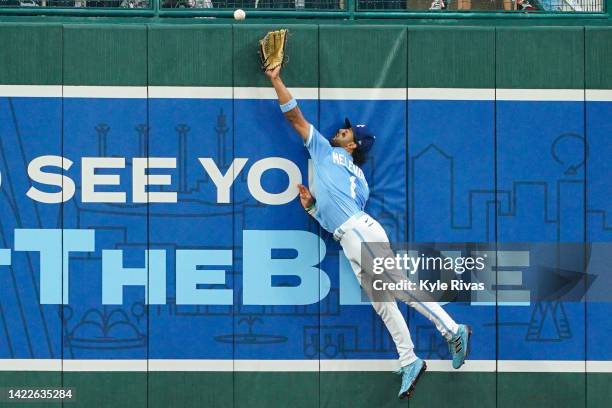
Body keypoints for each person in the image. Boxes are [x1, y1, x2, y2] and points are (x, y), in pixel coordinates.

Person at [264, 64, 472, 399]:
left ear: (353, 146)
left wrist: (276, 79)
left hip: (359, 232)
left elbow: (295, 117)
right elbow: (336, 214)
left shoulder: (326, 150)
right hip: (352, 234)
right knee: (383, 302)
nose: (342, 131)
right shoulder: (361, 183)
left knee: (398, 288)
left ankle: (451, 329)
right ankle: (409, 360)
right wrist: (313, 207)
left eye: (348, 133)